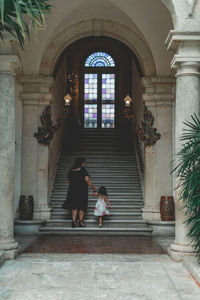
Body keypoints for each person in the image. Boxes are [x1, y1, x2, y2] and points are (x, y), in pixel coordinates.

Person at [64, 157, 97, 228]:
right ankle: (81, 222)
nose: (84, 164)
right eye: (84, 162)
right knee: (81, 207)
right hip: (82, 190)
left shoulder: (71, 171)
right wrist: (94, 188)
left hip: (72, 190)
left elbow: (69, 182)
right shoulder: (83, 171)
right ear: (81, 163)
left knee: (74, 207)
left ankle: (73, 221)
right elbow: (88, 181)